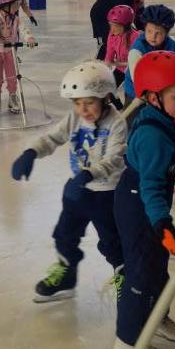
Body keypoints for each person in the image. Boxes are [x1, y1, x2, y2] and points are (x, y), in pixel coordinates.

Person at [11, 61, 126, 302]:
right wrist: (31, 152)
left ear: (106, 98)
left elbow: (115, 158)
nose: (83, 109)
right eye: (77, 103)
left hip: (107, 194)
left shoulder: (117, 123)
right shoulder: (74, 118)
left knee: (113, 243)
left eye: (89, 102)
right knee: (64, 235)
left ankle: (125, 280)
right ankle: (67, 276)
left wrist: (89, 174)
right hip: (77, 192)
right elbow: (52, 137)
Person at [113, 51, 175, 349]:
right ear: (152, 97)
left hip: (148, 203)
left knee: (157, 268)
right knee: (140, 274)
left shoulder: (160, 119)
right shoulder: (152, 137)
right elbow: (150, 186)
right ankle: (127, 343)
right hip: (139, 205)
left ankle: (155, 317)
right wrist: (162, 222)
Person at [0, 0, 35, 116]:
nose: (17, 7)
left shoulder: (15, 19)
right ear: (6, 6)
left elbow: (23, 29)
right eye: (15, 5)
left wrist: (29, 38)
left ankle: (12, 96)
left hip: (10, 51)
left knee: (12, 76)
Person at [123, 4, 175, 105]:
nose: (153, 36)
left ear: (166, 33)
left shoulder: (172, 45)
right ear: (144, 29)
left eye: (158, 33)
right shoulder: (137, 49)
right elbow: (137, 78)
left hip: (161, 92)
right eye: (149, 31)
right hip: (136, 93)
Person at [90, 0, 154, 60]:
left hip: (114, 18)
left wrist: (146, 33)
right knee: (106, 41)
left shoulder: (138, 1)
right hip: (100, 17)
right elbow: (122, 18)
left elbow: (139, 19)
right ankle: (98, 62)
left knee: (123, 36)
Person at [104, 4, 137, 105]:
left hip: (133, 71)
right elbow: (109, 56)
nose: (112, 29)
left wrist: (120, 63)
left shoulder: (136, 37)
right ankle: (119, 110)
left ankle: (130, 110)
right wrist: (105, 67)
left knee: (131, 95)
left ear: (126, 26)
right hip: (120, 69)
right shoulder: (112, 35)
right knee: (108, 91)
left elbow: (138, 61)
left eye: (116, 26)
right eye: (110, 25)